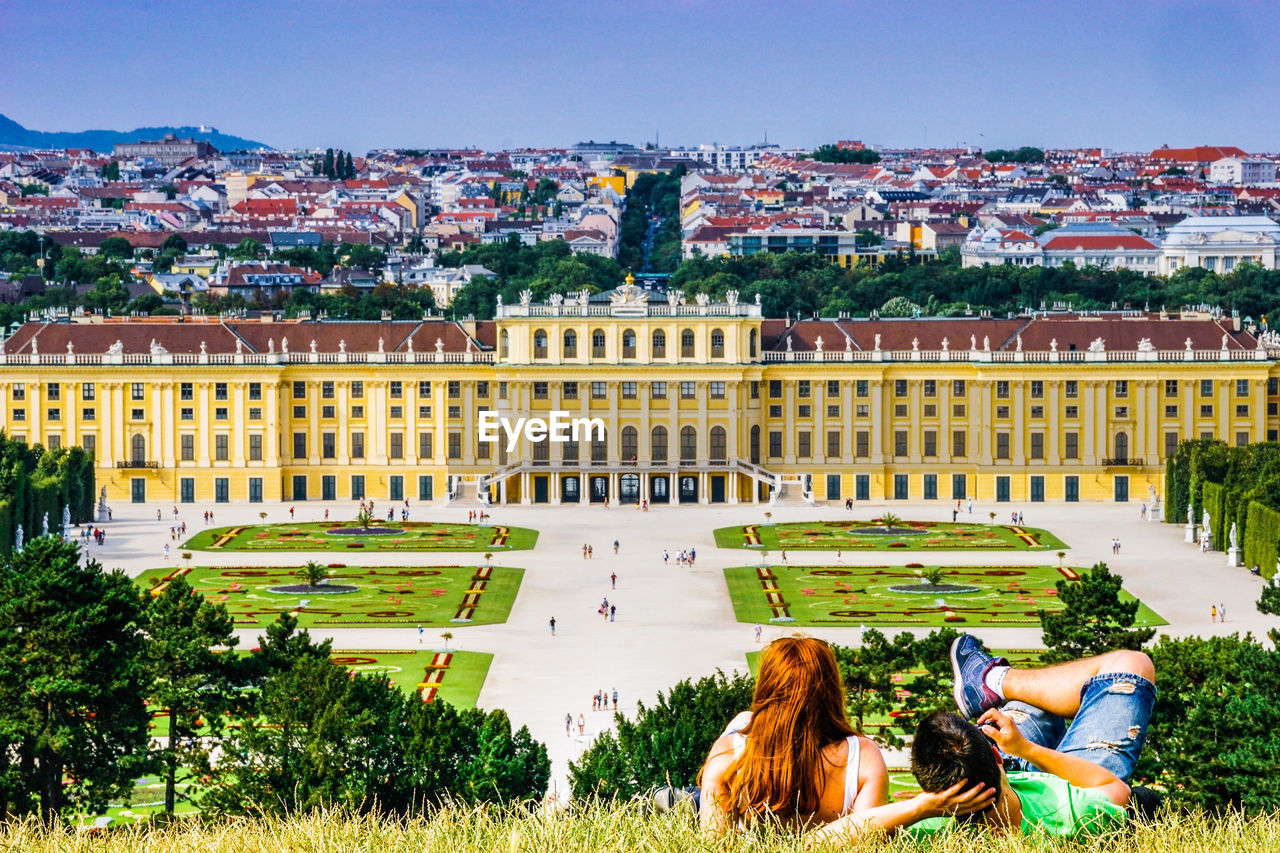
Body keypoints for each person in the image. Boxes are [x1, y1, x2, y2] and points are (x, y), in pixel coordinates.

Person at [873, 635, 1156, 840]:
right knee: (1131, 664)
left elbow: (832, 838)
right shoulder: (1074, 813)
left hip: (987, 783)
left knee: (1041, 699)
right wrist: (1026, 749)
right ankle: (993, 680)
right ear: (996, 753)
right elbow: (1114, 786)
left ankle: (989, 684)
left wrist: (923, 806)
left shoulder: (930, 828)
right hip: (1059, 782)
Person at [698, 636, 910, 834]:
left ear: (767, 689)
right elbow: (866, 842)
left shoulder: (725, 752)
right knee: (744, 720)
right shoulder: (864, 756)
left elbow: (713, 839)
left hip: (745, 757)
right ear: (831, 690)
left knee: (743, 720)